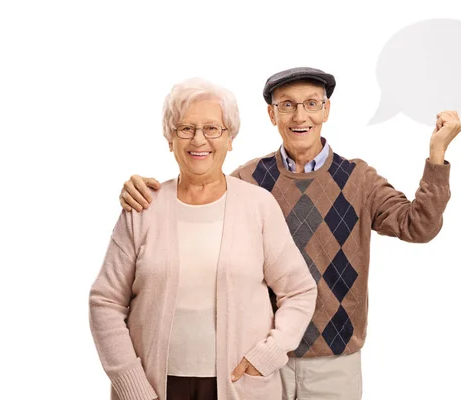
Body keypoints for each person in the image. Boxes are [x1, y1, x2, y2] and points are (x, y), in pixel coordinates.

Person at [118, 67, 461, 400]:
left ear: (326, 110)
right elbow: (194, 212)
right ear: (272, 114)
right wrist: (144, 192)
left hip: (335, 360)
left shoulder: (359, 179)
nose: (300, 116)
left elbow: (419, 227)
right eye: (287, 105)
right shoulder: (247, 180)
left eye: (312, 103)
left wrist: (437, 156)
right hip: (258, 356)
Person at [89, 77, 317, 400]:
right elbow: (105, 303)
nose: (199, 140)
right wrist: (133, 386)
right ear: (170, 138)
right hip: (155, 388)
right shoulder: (143, 208)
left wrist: (270, 353)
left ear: (230, 139)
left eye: (212, 128)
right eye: (186, 128)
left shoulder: (259, 206)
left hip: (241, 385)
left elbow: (300, 291)